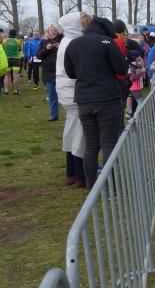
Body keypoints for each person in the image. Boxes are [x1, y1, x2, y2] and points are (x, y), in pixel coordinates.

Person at [64, 16, 129, 190]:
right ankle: (110, 186)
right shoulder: (108, 43)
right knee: (108, 143)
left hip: (84, 99)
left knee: (91, 144)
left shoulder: (73, 44)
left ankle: (91, 187)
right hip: (107, 98)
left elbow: (70, 73)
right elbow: (121, 69)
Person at [56, 12, 88, 188]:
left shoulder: (66, 41)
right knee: (79, 133)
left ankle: (71, 172)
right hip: (73, 91)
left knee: (72, 129)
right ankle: (80, 174)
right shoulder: (72, 43)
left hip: (68, 90)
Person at [37, 24, 63, 121]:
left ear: (57, 32)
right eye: (51, 30)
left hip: (61, 71)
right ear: (48, 32)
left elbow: (69, 53)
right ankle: (54, 114)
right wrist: (46, 49)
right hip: (48, 72)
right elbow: (38, 55)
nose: (52, 32)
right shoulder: (43, 42)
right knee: (52, 95)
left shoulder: (62, 41)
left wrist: (60, 47)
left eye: (54, 30)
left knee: (64, 94)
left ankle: (70, 114)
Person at [2, 29, 23, 95]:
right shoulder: (18, 41)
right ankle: (15, 91)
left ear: (9, 34)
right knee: (15, 76)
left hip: (7, 59)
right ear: (15, 34)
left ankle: (6, 91)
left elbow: (3, 49)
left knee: (6, 76)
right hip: (16, 59)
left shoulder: (4, 41)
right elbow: (20, 49)